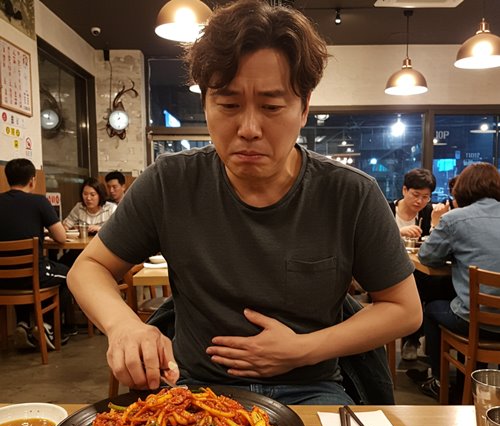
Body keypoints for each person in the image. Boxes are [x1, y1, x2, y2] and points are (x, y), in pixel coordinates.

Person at [67, 0, 421, 405]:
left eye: (271, 106)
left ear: (304, 107)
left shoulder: (350, 193)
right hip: (198, 389)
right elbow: (88, 268)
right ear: (205, 104)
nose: (249, 128)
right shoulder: (171, 182)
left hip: (311, 388)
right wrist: (124, 325)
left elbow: (404, 309)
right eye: (229, 105)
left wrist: (302, 349)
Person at [417, 162, 500, 400]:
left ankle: (439, 381)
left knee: (433, 309)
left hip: (476, 322)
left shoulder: (455, 219)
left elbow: (427, 256)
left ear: (463, 188)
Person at [0, 158, 76, 349]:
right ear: (32, 180)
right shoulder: (38, 201)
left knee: (21, 272)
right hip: (34, 275)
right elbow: (61, 237)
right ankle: (46, 327)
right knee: (71, 276)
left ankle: (23, 324)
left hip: (3, 279)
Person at [388, 168, 452, 361]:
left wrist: (435, 224)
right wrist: (398, 232)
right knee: (416, 283)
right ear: (404, 190)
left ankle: (430, 344)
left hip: (419, 269)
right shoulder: (387, 210)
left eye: (425, 197)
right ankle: (414, 339)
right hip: (389, 269)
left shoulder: (429, 212)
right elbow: (372, 240)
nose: (420, 201)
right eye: (415, 195)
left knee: (441, 285)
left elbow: (434, 248)